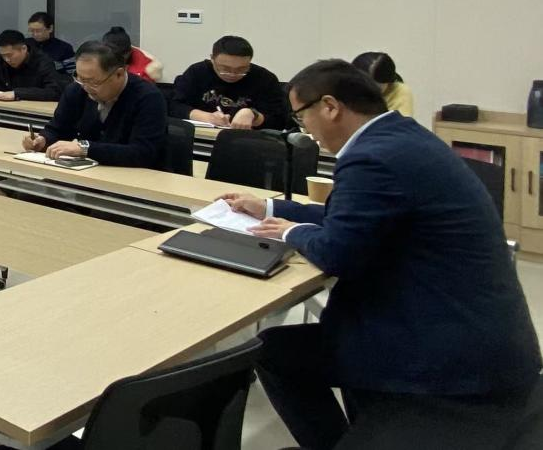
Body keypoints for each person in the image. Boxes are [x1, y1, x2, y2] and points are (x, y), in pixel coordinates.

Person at [223, 60, 540, 450]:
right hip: (472, 327)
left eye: (301, 116)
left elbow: (337, 253)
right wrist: (272, 209)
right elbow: (357, 219)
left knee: (275, 351)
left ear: (330, 106)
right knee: (288, 349)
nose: (304, 128)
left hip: (443, 347)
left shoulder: (372, 157)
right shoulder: (401, 136)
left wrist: (291, 231)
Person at [23, 40, 166, 167]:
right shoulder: (76, 89)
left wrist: (85, 148)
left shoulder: (148, 97)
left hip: (134, 178)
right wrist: (43, 140)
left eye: (93, 82)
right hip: (87, 171)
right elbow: (58, 128)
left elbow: (143, 152)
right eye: (80, 78)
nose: (86, 87)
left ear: (119, 74)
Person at [169, 35, 286, 130]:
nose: (232, 74)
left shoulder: (264, 79)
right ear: (212, 59)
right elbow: (174, 105)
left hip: (249, 140)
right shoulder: (197, 72)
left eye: (241, 69)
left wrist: (253, 116)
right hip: (201, 135)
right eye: (225, 69)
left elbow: (280, 119)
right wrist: (207, 117)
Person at [0, 30, 63, 102]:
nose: (7, 59)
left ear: (24, 49)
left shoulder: (42, 62)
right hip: (1, 109)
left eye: (9, 55)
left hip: (32, 112)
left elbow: (54, 91)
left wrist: (17, 94)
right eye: (3, 55)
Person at [352, 51, 413, 117]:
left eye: (376, 82)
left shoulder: (399, 91)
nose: (373, 86)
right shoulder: (351, 90)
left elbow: (399, 122)